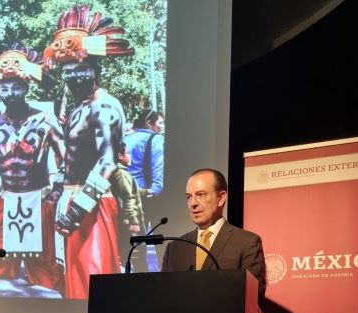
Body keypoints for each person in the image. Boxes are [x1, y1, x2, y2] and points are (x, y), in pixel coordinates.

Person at [44, 3, 134, 297]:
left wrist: (77, 209)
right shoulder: (80, 107)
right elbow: (72, 157)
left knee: (91, 284)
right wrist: (59, 189)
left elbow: (107, 163)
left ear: (95, 70)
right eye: (67, 72)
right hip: (75, 202)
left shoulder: (104, 106)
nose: (72, 77)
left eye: (79, 70)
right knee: (74, 284)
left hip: (91, 206)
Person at [0, 45, 65, 296]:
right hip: (4, 202)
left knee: (51, 272)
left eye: (16, 87)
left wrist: (57, 192)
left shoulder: (45, 119)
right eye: (4, 88)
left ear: (27, 87)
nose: (10, 94)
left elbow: (68, 160)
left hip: (40, 202)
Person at [161, 168, 266, 302]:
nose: (193, 203)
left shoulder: (246, 242)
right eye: (189, 197)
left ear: (221, 198)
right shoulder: (174, 248)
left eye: (201, 195)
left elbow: (253, 299)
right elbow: (163, 296)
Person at [109, 141, 146, 271]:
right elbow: (127, 197)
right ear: (120, 156)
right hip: (130, 223)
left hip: (129, 222)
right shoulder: (121, 174)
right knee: (135, 256)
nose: (130, 156)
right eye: (128, 153)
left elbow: (132, 191)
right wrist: (133, 221)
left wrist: (147, 192)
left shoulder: (122, 173)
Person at [124, 109, 164, 198]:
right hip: (144, 192)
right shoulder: (156, 139)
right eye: (160, 123)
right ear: (148, 123)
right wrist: (156, 189)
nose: (162, 126)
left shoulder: (126, 138)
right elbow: (158, 166)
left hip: (124, 190)